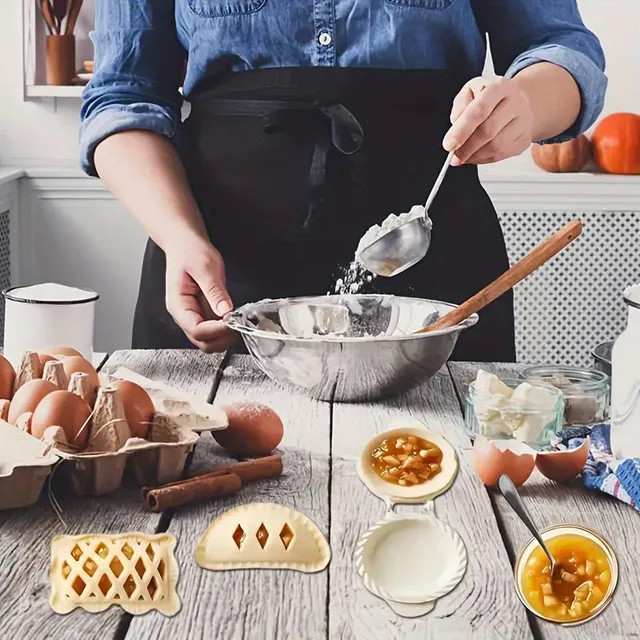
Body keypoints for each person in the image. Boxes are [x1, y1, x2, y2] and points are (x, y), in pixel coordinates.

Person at [80, 1, 606, 361]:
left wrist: (526, 104)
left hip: (435, 269)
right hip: (218, 266)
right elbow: (123, 96)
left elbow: (561, 47)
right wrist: (179, 235)